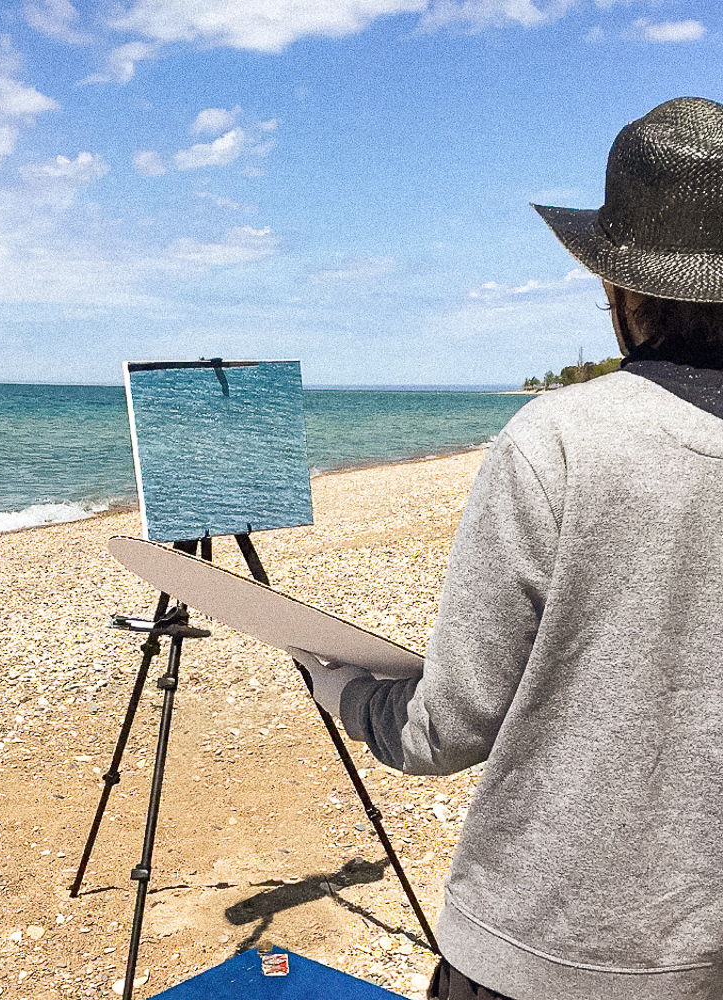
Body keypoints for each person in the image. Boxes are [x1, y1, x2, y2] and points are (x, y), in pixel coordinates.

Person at [290, 97, 723, 1000]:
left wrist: (344, 691)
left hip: (544, 951)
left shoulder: (559, 440)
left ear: (623, 286)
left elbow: (447, 730)